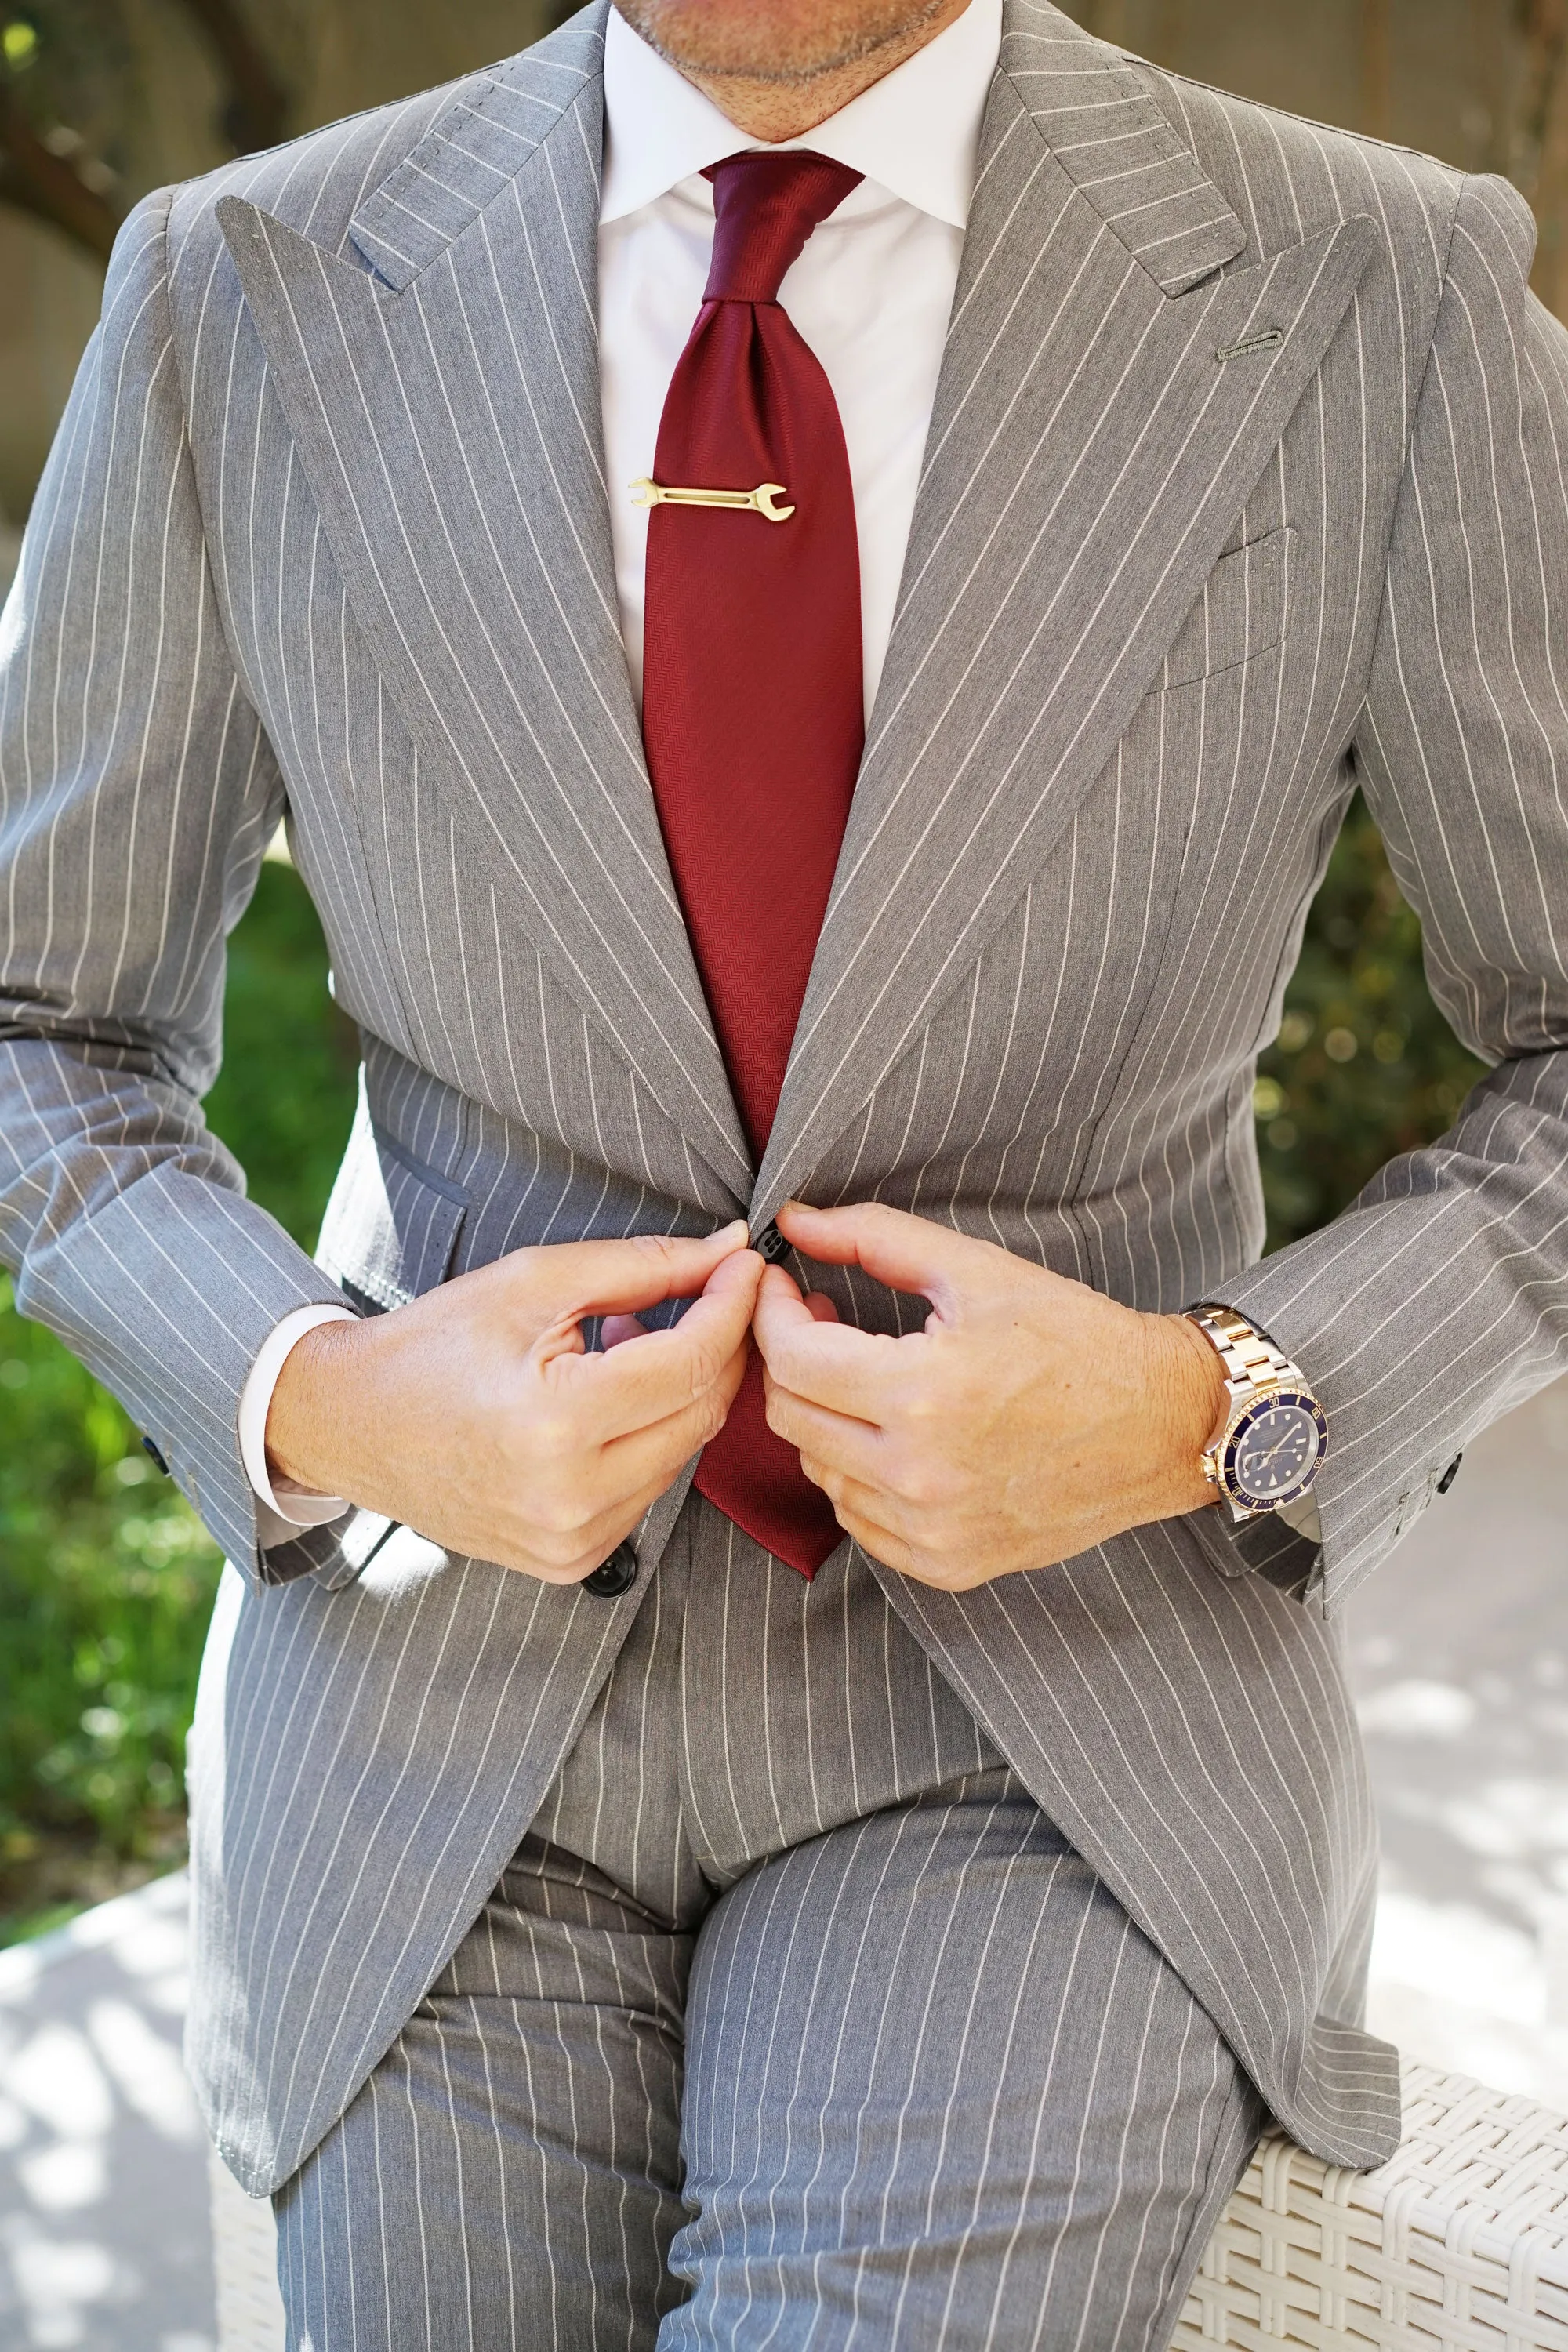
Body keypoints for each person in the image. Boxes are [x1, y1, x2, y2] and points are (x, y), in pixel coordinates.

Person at [2, 0, 1566, 2339]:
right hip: (443, 1728)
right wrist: (320, 1399)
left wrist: (1204, 1395)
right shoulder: (241, 286)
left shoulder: (1387, 288)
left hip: (1055, 1717)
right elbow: (41, 1017)